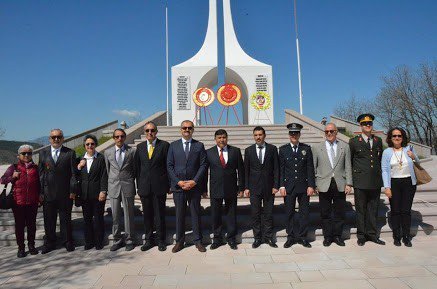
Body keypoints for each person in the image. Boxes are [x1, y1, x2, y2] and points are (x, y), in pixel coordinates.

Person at [167, 120, 208, 253]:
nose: (187, 130)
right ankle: (179, 241)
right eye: (184, 127)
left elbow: (203, 165)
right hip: (178, 187)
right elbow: (169, 166)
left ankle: (198, 241)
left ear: (193, 130)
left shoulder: (199, 145)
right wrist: (178, 182)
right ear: (180, 130)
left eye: (189, 128)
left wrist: (194, 181)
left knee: (196, 213)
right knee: (179, 214)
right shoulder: (173, 146)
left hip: (194, 187)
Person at [313, 123, 352, 247]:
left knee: (339, 212)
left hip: (340, 183)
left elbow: (348, 166)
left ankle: (337, 236)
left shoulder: (344, 147)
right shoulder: (317, 147)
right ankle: (328, 237)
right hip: (323, 184)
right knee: (325, 212)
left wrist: (349, 183)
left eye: (331, 131)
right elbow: (313, 167)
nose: (329, 133)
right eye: (326, 132)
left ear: (336, 132)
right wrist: (314, 184)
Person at [38, 129, 77, 254]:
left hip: (65, 193)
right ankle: (50, 242)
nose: (56, 139)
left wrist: (73, 190)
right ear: (49, 139)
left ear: (63, 138)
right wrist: (41, 192)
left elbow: (73, 174)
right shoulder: (43, 153)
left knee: (65, 219)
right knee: (49, 220)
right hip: (48, 193)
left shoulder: (70, 153)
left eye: (59, 137)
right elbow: (41, 174)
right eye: (53, 137)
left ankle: (67, 241)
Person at [349, 114, 385, 246]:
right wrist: (351, 180)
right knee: (361, 209)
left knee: (373, 209)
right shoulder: (354, 141)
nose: (368, 125)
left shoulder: (378, 141)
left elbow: (379, 160)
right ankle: (361, 235)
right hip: (360, 181)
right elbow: (351, 161)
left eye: (369, 123)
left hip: (375, 181)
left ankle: (372, 234)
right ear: (360, 126)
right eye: (365, 124)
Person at [206, 129, 244, 250]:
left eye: (224, 137)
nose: (222, 140)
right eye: (219, 138)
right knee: (215, 215)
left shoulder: (235, 151)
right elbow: (204, 171)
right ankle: (217, 239)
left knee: (231, 214)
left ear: (227, 138)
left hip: (231, 188)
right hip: (215, 188)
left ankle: (231, 238)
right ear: (215, 139)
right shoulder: (209, 152)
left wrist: (241, 187)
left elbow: (241, 171)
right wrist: (203, 189)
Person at [134, 121, 170, 252]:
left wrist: (168, 185)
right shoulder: (140, 147)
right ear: (144, 132)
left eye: (152, 130)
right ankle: (149, 240)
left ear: (156, 132)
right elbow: (137, 168)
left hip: (159, 187)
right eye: (147, 130)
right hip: (144, 187)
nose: (150, 132)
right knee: (147, 215)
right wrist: (139, 186)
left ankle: (161, 240)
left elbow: (168, 167)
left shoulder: (164, 145)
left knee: (160, 215)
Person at [1, 145, 42, 258]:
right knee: (19, 226)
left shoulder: (35, 167)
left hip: (32, 202)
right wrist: (11, 177)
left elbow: (39, 184)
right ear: (19, 155)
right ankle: (21, 248)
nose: (27, 155)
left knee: (31, 225)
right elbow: (2, 180)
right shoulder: (13, 167)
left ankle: (31, 246)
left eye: (29, 153)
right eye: (24, 153)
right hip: (17, 202)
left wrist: (40, 197)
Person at [279, 123, 315, 248]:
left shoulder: (306, 149)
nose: (293, 135)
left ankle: (302, 237)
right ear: (289, 135)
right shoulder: (283, 150)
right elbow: (281, 169)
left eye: (296, 133)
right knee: (289, 212)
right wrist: (281, 185)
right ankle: (291, 237)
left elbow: (310, 168)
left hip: (303, 186)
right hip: (289, 186)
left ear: (299, 134)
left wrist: (311, 185)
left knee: (304, 212)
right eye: (291, 133)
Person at [382, 127, 419, 247]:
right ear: (390, 138)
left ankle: (406, 237)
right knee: (396, 211)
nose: (397, 138)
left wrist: (413, 156)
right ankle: (397, 236)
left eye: (399, 136)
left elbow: (418, 162)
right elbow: (385, 170)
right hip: (394, 183)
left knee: (406, 211)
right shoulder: (387, 152)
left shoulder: (409, 148)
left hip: (409, 183)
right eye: (394, 136)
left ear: (403, 137)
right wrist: (387, 187)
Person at [244, 126, 279, 248]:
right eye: (256, 135)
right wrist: (246, 187)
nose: (258, 137)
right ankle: (257, 238)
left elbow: (276, 169)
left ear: (264, 135)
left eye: (260, 135)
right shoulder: (248, 150)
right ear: (254, 136)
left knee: (268, 214)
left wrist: (276, 185)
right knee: (255, 214)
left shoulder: (272, 149)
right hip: (254, 188)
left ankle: (268, 238)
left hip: (269, 188)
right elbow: (246, 170)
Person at [104, 128, 137, 251]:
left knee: (129, 215)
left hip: (127, 185)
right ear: (113, 138)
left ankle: (129, 239)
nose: (119, 139)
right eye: (117, 136)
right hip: (113, 187)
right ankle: (117, 240)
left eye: (122, 136)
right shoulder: (108, 152)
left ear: (125, 137)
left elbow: (134, 170)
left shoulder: (131, 151)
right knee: (115, 216)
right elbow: (108, 170)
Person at [76, 134, 108, 250]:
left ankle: (99, 242)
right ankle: (89, 242)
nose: (90, 146)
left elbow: (104, 176)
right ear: (84, 146)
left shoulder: (100, 158)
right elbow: (75, 175)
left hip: (97, 194)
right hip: (84, 194)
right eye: (87, 144)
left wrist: (103, 191)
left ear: (95, 145)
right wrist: (79, 167)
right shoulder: (80, 158)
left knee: (98, 218)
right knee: (87, 219)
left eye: (92, 144)